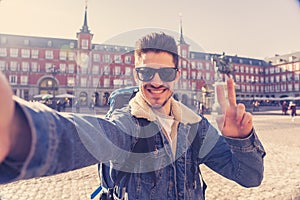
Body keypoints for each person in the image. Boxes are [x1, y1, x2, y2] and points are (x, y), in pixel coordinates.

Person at [0, 32, 265, 200]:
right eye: (147, 73)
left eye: (166, 73)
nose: (157, 82)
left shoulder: (194, 126)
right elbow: (91, 137)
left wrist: (240, 140)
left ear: (177, 76)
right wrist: (17, 131)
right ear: (136, 75)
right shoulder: (128, 124)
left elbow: (249, 178)